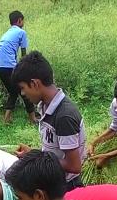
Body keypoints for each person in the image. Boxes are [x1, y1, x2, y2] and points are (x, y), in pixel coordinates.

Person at [12, 52, 87, 188]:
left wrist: (37, 157)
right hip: (55, 181)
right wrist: (33, 153)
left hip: (66, 187)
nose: (23, 93)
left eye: (23, 88)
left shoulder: (64, 116)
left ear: (34, 83)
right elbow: (54, 153)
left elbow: (74, 166)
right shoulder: (46, 107)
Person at [0, 11, 34, 125]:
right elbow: (24, 54)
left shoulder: (7, 33)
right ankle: (32, 119)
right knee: (24, 90)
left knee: (13, 92)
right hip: (9, 65)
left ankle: (7, 119)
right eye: (23, 20)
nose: (23, 23)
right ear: (19, 20)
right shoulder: (21, 32)